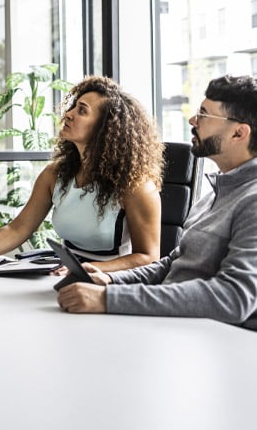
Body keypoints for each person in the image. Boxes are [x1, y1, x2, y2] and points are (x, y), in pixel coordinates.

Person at [58, 75, 257, 330]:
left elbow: (233, 298)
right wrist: (111, 281)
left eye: (204, 115)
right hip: (172, 325)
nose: (193, 120)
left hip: (211, 339)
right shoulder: (216, 193)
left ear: (239, 133)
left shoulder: (251, 202)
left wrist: (109, 299)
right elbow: (173, 263)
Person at [0, 75, 165, 272]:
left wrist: (90, 269)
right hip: (64, 275)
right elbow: (18, 228)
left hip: (112, 284)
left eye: (82, 111)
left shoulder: (136, 186)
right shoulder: (55, 174)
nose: (69, 114)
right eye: (73, 106)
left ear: (105, 128)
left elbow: (147, 257)